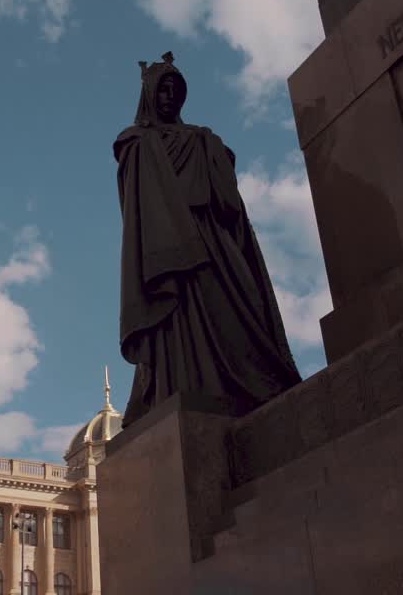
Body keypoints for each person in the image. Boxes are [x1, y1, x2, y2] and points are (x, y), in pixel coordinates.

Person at [114, 51, 301, 427]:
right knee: (180, 319)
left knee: (238, 308)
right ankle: (189, 385)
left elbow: (228, 203)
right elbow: (138, 209)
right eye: (162, 89)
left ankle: (247, 384)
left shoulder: (203, 139)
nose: (169, 97)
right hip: (167, 249)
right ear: (150, 95)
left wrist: (213, 155)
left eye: (175, 90)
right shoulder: (135, 143)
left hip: (212, 240)